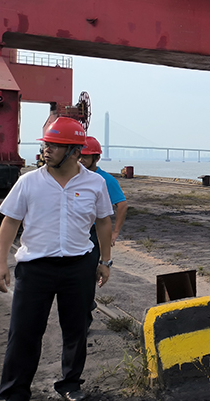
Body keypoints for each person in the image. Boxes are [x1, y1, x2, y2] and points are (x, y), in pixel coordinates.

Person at [0, 117, 114, 401]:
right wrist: (0, 264)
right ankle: (14, 392)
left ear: (74, 152)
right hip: (35, 268)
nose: (46, 150)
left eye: (55, 145)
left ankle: (70, 384)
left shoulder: (95, 183)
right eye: (46, 144)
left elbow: (103, 222)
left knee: (76, 331)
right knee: (24, 332)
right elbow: (10, 222)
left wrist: (105, 261)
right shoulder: (28, 182)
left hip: (79, 267)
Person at [79, 135, 128, 329]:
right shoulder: (73, 176)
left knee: (87, 278)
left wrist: (115, 232)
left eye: (85, 156)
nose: (81, 160)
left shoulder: (105, 180)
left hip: (93, 235)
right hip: (77, 234)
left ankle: (85, 318)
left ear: (96, 158)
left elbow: (122, 205)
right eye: (79, 155)